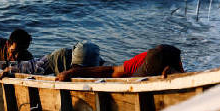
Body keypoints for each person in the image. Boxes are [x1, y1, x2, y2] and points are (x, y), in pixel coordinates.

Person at [56, 44, 184, 82]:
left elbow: (113, 71)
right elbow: (112, 71)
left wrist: (74, 72)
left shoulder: (149, 59)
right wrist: (74, 72)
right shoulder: (142, 60)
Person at [0, 41, 103, 80]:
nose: (79, 70)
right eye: (77, 67)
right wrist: (9, 70)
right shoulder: (59, 58)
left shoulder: (98, 64)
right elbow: (32, 66)